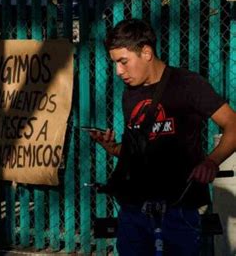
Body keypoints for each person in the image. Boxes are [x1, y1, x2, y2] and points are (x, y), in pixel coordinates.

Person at [90, 19, 236, 255]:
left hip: (178, 210)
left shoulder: (188, 84)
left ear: (146, 51)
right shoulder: (130, 94)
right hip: (134, 212)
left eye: (123, 62)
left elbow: (233, 124)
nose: (118, 71)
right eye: (115, 63)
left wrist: (211, 161)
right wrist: (113, 147)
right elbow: (140, 149)